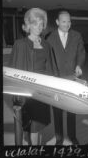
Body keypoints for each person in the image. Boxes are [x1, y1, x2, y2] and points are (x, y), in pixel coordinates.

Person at [8, 8, 58, 145]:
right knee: (29, 127)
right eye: (35, 23)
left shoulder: (47, 45)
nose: (39, 27)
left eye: (41, 24)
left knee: (37, 127)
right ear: (28, 25)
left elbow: (51, 70)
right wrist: (16, 99)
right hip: (26, 92)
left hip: (41, 91)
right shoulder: (20, 45)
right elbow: (14, 73)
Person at [46, 10, 85, 145]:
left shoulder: (77, 36)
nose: (67, 24)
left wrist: (79, 65)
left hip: (72, 79)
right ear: (57, 22)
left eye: (69, 21)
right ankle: (58, 137)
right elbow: (49, 59)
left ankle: (72, 137)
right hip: (56, 79)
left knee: (71, 109)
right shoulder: (50, 38)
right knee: (57, 110)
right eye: (64, 21)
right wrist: (52, 77)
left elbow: (81, 53)